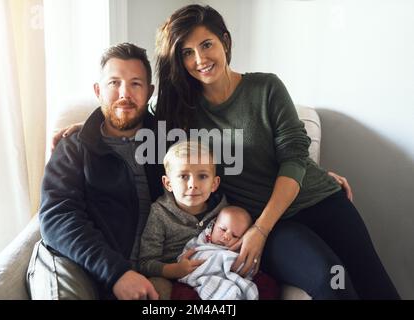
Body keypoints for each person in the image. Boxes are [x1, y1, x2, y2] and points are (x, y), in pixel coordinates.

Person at [51, 5, 399, 300]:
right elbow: (133, 117)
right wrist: (88, 129)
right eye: (187, 52)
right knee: (329, 280)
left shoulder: (266, 87)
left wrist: (302, 183)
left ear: (225, 42)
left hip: (318, 200)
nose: (199, 59)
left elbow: (294, 156)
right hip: (273, 225)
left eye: (206, 44)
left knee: (376, 284)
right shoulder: (180, 112)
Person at [27, 43, 165, 300]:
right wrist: (116, 273)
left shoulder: (170, 143)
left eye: (136, 84)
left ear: (149, 92)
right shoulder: (73, 147)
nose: (124, 93)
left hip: (158, 272)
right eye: (114, 83)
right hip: (94, 270)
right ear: (98, 90)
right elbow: (58, 215)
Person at [138, 140, 228, 288]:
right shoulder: (159, 213)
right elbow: (145, 262)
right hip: (172, 277)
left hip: (214, 274)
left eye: (202, 176)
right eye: (183, 176)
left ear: (214, 184)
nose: (193, 184)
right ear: (168, 184)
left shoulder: (223, 212)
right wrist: (174, 270)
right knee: (157, 288)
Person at [177, 205, 259, 300]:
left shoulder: (237, 253)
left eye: (235, 236)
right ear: (213, 225)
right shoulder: (199, 242)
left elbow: (247, 267)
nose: (226, 236)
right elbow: (183, 257)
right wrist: (181, 265)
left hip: (226, 281)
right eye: (223, 229)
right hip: (198, 280)